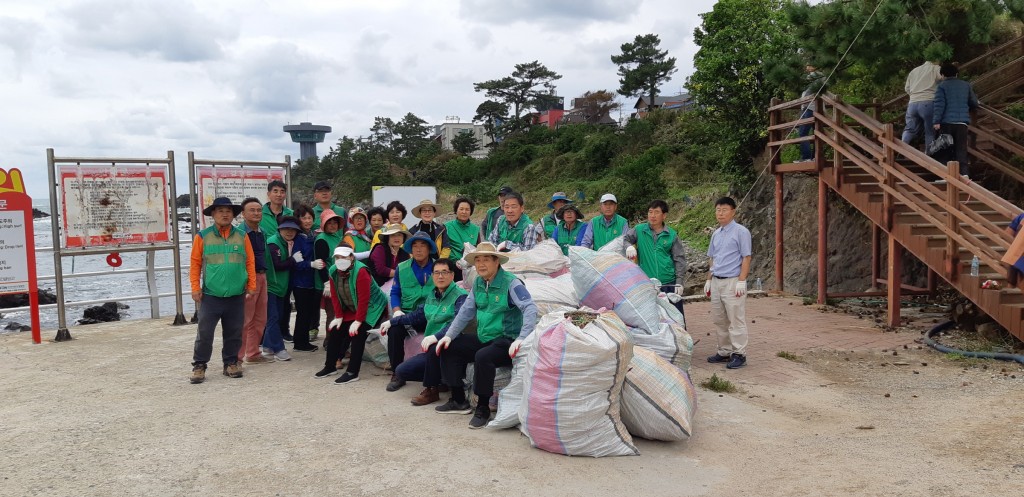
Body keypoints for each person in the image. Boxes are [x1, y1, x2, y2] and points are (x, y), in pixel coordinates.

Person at [435, 242, 539, 428]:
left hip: (506, 339)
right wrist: (449, 335)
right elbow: (466, 312)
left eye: (486, 260)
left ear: (496, 262)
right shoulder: (478, 283)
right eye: (478, 260)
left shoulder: (511, 283)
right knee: (450, 347)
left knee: (483, 357)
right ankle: (458, 400)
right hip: (485, 337)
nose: (481, 264)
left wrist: (522, 338)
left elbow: (530, 308)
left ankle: (482, 407)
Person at [379, 258, 467, 406]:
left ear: (452, 275)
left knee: (434, 349)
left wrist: (437, 336)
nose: (440, 276)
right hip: (432, 349)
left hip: (451, 345)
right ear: (432, 276)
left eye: (444, 272)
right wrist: (392, 321)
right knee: (402, 371)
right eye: (437, 273)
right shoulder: (432, 295)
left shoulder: (460, 296)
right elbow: (417, 315)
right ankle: (442, 380)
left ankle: (431, 389)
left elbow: (457, 324)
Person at [188, 197, 257, 384]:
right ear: (213, 214)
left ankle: (231, 363)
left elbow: (249, 261)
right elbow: (195, 264)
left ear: (233, 215)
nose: (225, 214)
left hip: (236, 294)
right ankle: (199, 365)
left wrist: (251, 285)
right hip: (211, 295)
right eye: (220, 211)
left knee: (234, 332)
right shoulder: (202, 236)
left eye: (228, 211)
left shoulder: (242, 236)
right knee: (205, 332)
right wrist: (195, 287)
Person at [317, 246, 389, 384]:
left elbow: (364, 299)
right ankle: (329, 366)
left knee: (358, 333)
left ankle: (352, 372)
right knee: (335, 330)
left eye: (344, 257)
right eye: (337, 258)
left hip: (373, 307)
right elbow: (336, 296)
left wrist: (358, 320)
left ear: (351, 257)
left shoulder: (361, 271)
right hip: (352, 306)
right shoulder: (333, 271)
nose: (340, 260)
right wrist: (338, 316)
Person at [385, 231, 437, 392]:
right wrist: (397, 310)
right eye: (415, 246)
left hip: (432, 315)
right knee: (394, 331)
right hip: (408, 314)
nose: (419, 249)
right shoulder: (402, 267)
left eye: (423, 246)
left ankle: (436, 377)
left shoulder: (438, 267)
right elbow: (395, 292)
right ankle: (397, 373)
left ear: (429, 249)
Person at [704, 197, 752, 370]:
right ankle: (724, 351)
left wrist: (742, 280)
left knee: (735, 318)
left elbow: (746, 257)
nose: (720, 213)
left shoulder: (741, 232)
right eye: (718, 210)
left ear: (733, 211)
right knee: (719, 319)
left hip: (733, 281)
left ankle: (739, 353)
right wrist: (708, 280)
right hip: (717, 281)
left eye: (724, 209)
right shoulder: (716, 233)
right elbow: (713, 259)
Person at [623, 200, 687, 315]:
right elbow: (626, 239)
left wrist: (679, 282)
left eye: (656, 212)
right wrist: (628, 247)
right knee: (652, 317)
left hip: (669, 283)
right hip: (648, 284)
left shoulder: (671, 235)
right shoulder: (639, 230)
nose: (652, 215)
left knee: (675, 316)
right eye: (650, 212)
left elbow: (679, 259)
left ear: (664, 215)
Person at [263, 216, 308, 361]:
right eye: (286, 228)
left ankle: (268, 346)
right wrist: (293, 260)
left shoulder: (288, 243)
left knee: (277, 316)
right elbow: (277, 265)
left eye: (293, 229)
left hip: (280, 287)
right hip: (271, 286)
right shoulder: (273, 243)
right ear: (279, 229)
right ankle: (279, 349)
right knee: (274, 317)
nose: (289, 231)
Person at [238, 197, 272, 365]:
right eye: (252, 210)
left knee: (260, 318)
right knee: (244, 320)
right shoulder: (239, 234)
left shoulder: (262, 232)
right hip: (247, 279)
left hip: (262, 276)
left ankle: (252, 353)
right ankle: (236, 358)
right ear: (243, 214)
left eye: (259, 210)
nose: (257, 213)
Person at [260, 180, 295, 342]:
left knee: (285, 299)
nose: (279, 194)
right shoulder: (260, 213)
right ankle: (264, 335)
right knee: (266, 302)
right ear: (268, 194)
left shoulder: (290, 213)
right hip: (265, 263)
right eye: (275, 191)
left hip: (287, 264)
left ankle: (284, 330)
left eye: (282, 191)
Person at [932, 63, 979, 179]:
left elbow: (939, 105)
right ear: (957, 74)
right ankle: (964, 174)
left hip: (946, 123)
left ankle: (944, 176)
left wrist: (936, 121)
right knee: (961, 149)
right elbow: (973, 102)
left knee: (945, 150)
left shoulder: (942, 86)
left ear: (942, 75)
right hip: (962, 123)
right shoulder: (966, 85)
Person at [291, 205, 324, 352]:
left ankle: (303, 340)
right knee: (303, 313)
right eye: (303, 218)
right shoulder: (298, 238)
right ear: (298, 219)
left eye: (309, 217)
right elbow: (296, 262)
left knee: (309, 313)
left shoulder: (312, 234)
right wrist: (310, 264)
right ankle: (300, 342)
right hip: (301, 282)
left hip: (312, 281)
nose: (307, 220)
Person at [314, 209, 346, 349]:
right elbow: (321, 263)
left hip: (339, 280)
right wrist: (326, 282)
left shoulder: (337, 237)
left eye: (335, 222)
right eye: (329, 222)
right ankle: (330, 342)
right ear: (323, 224)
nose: (332, 225)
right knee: (332, 313)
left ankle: (336, 341)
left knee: (339, 312)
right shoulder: (322, 239)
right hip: (328, 282)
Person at [902, 59, 942, 149]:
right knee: (930, 132)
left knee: (910, 129)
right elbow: (944, 78)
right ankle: (929, 156)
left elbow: (907, 88)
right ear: (937, 60)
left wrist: (915, 95)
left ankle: (901, 149)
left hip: (912, 104)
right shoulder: (936, 68)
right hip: (928, 102)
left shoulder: (914, 71)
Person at [444, 197, 480, 281]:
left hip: (471, 267)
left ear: (471, 212)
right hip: (452, 266)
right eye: (461, 209)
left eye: (467, 209)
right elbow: (443, 248)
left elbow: (479, 249)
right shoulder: (447, 227)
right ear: (456, 210)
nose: (464, 212)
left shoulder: (475, 229)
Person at [796, 65, 825, 162]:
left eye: (809, 65)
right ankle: (814, 157)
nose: (807, 67)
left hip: (810, 108)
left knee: (803, 133)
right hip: (811, 108)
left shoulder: (816, 76)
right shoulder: (815, 79)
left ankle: (807, 157)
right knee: (816, 133)